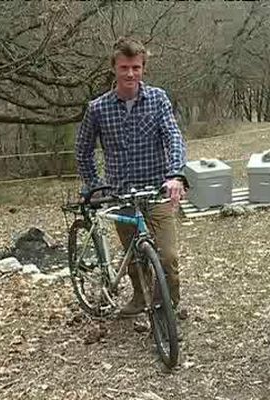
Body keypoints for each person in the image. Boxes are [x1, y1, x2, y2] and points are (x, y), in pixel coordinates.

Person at [75, 37, 188, 319]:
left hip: (156, 191)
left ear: (143, 68)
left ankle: (169, 309)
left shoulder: (158, 99)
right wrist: (94, 185)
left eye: (136, 67)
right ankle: (140, 297)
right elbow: (83, 150)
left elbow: (173, 137)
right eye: (124, 67)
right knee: (135, 259)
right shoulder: (98, 108)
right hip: (120, 194)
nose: (130, 74)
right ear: (114, 67)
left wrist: (175, 174)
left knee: (168, 257)